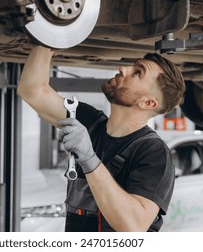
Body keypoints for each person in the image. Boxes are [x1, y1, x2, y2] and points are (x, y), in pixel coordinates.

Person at [17, 45, 186, 232]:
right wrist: (48, 38)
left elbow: (133, 226)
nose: (123, 68)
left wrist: (89, 159)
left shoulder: (154, 153)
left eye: (138, 73)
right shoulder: (90, 122)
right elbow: (32, 90)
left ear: (147, 103)